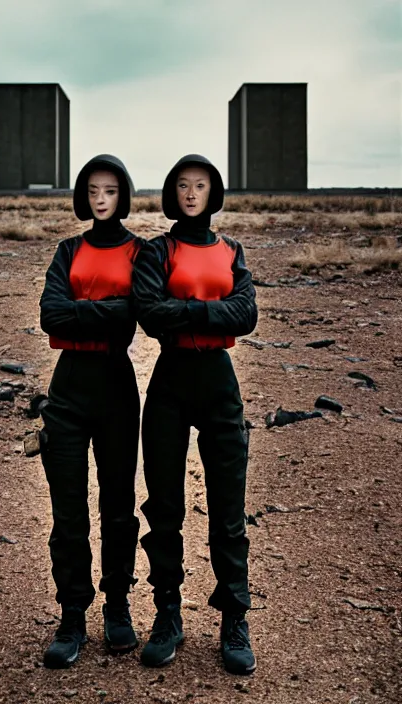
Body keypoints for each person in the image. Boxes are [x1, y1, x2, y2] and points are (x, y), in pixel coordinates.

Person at [132, 154, 258, 675]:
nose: (190, 193)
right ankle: (168, 614)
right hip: (170, 381)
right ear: (171, 193)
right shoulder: (158, 249)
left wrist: (188, 310)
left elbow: (247, 312)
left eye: (200, 185)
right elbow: (147, 311)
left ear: (213, 192)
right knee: (164, 503)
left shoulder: (231, 249)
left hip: (219, 382)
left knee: (228, 507)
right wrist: (212, 308)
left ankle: (234, 619)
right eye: (181, 185)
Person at [39, 155, 142, 668]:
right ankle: (73, 614)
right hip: (68, 389)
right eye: (93, 190)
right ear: (84, 195)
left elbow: (133, 320)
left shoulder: (139, 252)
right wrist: (106, 310)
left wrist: (82, 312)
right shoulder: (68, 250)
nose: (102, 198)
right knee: (68, 510)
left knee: (119, 505)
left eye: (111, 190)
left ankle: (118, 607)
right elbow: (48, 315)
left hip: (117, 387)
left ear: (123, 195)